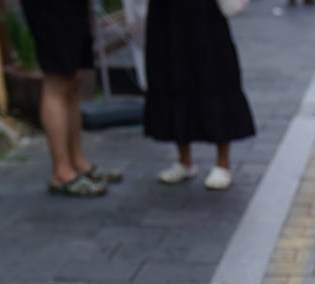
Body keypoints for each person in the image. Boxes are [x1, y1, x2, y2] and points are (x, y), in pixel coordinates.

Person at [144, 0, 256, 191]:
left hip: (204, 11)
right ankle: (184, 160)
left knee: (214, 73)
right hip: (165, 11)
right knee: (170, 72)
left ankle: (223, 163)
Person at [19, 0, 123, 196]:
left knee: (74, 79)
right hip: (51, 9)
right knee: (58, 80)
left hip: (73, 7)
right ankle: (62, 172)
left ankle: (78, 163)